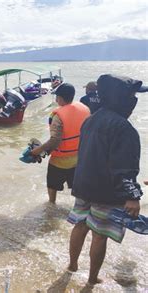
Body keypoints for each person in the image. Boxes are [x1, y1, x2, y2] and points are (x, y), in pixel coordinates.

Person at [67, 74, 143, 285]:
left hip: (83, 184)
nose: (134, 100)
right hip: (106, 191)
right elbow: (125, 168)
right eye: (132, 95)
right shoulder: (124, 129)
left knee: (80, 226)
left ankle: (72, 265)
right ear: (121, 98)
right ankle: (92, 279)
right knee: (99, 235)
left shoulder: (91, 119)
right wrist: (132, 196)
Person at [31, 83, 90, 203]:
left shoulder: (58, 116)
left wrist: (37, 151)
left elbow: (55, 141)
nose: (56, 99)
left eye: (57, 97)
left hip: (61, 160)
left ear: (60, 98)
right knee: (76, 188)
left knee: (52, 185)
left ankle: (51, 205)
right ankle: (79, 208)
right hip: (79, 157)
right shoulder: (85, 109)